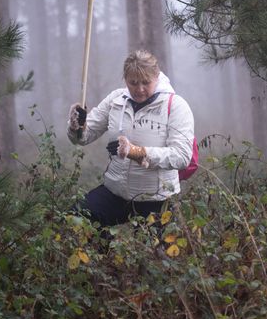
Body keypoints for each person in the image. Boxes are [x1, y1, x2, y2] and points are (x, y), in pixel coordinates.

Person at [67, 50, 195, 227]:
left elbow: (182, 157)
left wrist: (136, 152)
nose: (139, 89)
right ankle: (104, 254)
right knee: (76, 218)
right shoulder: (116, 100)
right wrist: (77, 126)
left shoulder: (176, 106)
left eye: (145, 82)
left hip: (156, 199)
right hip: (115, 192)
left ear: (156, 77)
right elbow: (84, 137)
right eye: (133, 83)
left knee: (152, 253)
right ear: (125, 79)